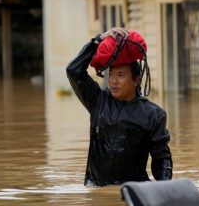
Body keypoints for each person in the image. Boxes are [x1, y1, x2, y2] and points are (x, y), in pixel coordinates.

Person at [66, 27, 173, 187]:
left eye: (121, 75)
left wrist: (165, 188)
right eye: (111, 74)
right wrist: (97, 41)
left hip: (132, 191)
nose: (113, 81)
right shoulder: (98, 101)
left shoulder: (154, 115)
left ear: (136, 80)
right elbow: (73, 70)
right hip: (96, 189)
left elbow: (161, 159)